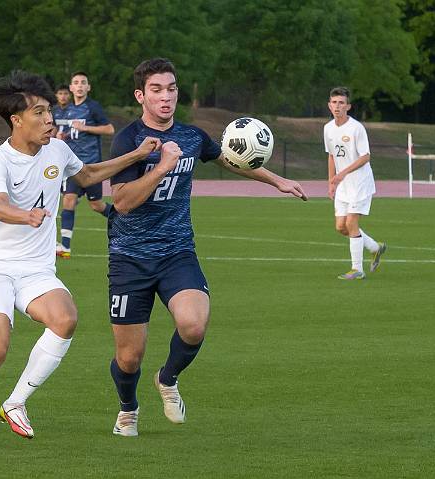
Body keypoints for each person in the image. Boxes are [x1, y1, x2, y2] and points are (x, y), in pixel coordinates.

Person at [0, 70, 160, 451]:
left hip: (35, 268)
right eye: (39, 113)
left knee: (65, 319)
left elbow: (89, 175)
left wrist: (136, 154)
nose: (49, 120)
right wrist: (26, 215)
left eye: (49, 111)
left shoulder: (57, 149)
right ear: (17, 120)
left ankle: (15, 403)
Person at [106, 58, 308, 437]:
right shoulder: (128, 140)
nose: (166, 97)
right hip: (129, 258)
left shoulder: (192, 136)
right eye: (156, 90)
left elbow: (232, 159)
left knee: (194, 325)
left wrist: (276, 179)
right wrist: (162, 166)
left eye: (171, 88)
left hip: (177, 251)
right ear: (140, 96)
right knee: (129, 357)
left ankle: (167, 379)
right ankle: (128, 409)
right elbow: (122, 202)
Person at [324, 86, 386, 280]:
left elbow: (365, 157)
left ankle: (357, 269)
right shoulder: (328, 128)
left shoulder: (356, 128)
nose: (337, 106)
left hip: (360, 182)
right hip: (343, 184)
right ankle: (375, 248)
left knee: (351, 222)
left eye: (341, 103)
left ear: (348, 106)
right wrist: (331, 182)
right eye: (334, 102)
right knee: (341, 227)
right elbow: (332, 156)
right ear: (329, 105)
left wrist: (342, 174)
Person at [55, 71, 115, 259]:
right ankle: (65, 247)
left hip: (91, 167)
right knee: (68, 200)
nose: (79, 85)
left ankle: (125, 219)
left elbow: (109, 129)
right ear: (71, 88)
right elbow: (68, 133)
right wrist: (61, 136)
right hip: (74, 166)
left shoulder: (92, 108)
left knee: (96, 205)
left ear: (88, 87)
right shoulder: (69, 109)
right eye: (76, 83)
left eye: (83, 83)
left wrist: (85, 127)